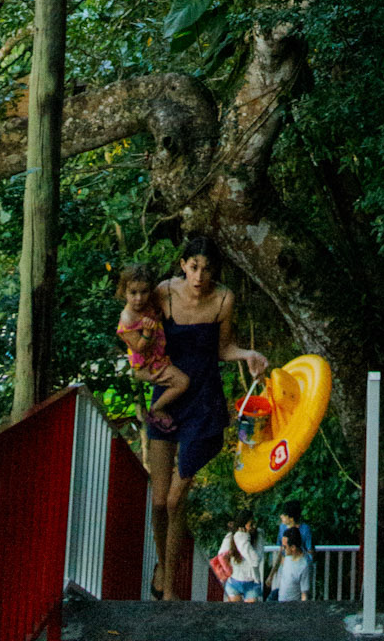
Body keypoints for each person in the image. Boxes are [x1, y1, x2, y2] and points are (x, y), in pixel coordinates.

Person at [144, 234, 267, 602]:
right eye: (194, 267)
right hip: (167, 397)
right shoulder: (164, 292)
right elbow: (139, 329)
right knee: (158, 501)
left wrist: (248, 354)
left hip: (203, 402)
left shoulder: (224, 299)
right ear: (183, 264)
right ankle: (164, 566)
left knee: (175, 500)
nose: (199, 276)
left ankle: (170, 592)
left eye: (207, 269)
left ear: (215, 271)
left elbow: (223, 348)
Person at [114, 265, 188, 433]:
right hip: (147, 363)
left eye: (144, 292)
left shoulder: (148, 305)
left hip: (158, 355)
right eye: (133, 293)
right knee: (183, 382)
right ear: (124, 292)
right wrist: (147, 332)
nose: (139, 298)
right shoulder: (128, 318)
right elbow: (139, 348)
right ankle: (156, 409)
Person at [218, 509, 264, 604]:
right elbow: (221, 555)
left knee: (250, 612)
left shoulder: (258, 536)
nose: (254, 527)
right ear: (242, 525)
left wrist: (243, 539)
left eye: (254, 523)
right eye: (251, 524)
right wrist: (228, 569)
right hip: (234, 581)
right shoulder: (231, 536)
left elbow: (255, 561)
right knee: (234, 611)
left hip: (252, 582)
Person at [270, 524, 314, 603]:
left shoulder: (304, 565)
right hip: (280, 598)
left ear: (293, 547)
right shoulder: (288, 556)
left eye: (285, 547)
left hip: (292, 604)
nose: (283, 549)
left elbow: (304, 594)